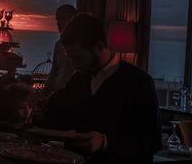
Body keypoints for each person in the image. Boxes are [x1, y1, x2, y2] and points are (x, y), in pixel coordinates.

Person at [39, 13, 162, 164]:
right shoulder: (77, 81)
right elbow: (56, 120)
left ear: (99, 47)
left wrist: (105, 142)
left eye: (78, 58)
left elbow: (152, 143)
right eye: (70, 58)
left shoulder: (139, 83)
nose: (73, 65)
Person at [45, 5, 78, 94]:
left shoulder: (81, 45)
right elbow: (54, 70)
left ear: (73, 19)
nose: (58, 23)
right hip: (59, 94)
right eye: (57, 20)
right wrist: (47, 88)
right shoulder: (58, 45)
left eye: (61, 19)